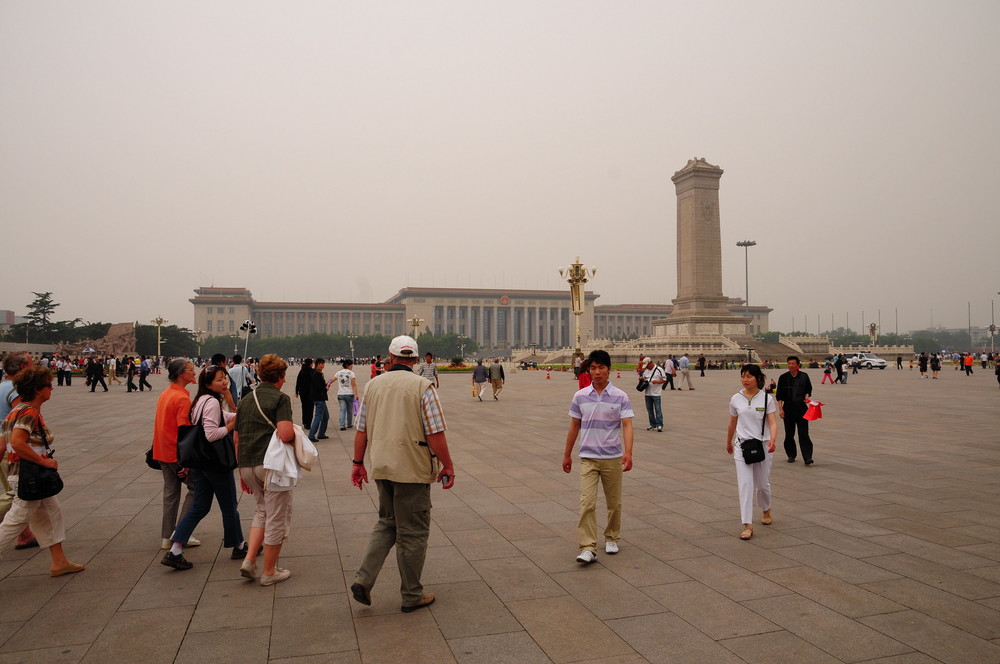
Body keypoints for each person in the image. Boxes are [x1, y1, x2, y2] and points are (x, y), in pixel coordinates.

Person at [350, 335, 455, 613]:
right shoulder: (424, 386)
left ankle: (364, 579)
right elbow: (435, 434)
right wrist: (448, 465)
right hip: (412, 468)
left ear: (390, 357)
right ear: (416, 360)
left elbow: (362, 430)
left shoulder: (373, 385)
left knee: (387, 522)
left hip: (382, 465)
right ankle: (411, 595)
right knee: (413, 532)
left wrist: (357, 463)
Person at [0, 366, 85, 576]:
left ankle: (59, 561)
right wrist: (44, 462)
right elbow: (18, 443)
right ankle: (59, 561)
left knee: (50, 513)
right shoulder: (28, 412)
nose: (52, 389)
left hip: (24, 474)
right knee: (16, 519)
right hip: (29, 475)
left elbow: (3, 444)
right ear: (38, 389)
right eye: (49, 385)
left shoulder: (14, 411)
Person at [161, 366, 247, 570]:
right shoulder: (211, 403)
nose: (224, 382)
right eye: (219, 380)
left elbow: (225, 416)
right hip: (215, 462)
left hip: (201, 463)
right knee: (228, 506)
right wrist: (231, 427)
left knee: (200, 505)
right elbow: (211, 434)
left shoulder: (202, 400)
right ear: (208, 384)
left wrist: (230, 403)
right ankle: (239, 545)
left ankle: (175, 550)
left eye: (224, 378)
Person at [562, 349, 634, 564]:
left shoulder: (620, 396)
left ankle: (611, 537)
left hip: (612, 456)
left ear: (609, 369)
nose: (597, 372)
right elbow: (574, 426)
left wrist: (628, 453)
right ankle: (587, 546)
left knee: (614, 503)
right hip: (588, 456)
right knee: (587, 503)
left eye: (601, 367)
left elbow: (627, 425)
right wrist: (567, 454)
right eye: (593, 368)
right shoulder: (580, 396)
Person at [235, 354, 296, 586]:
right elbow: (286, 433)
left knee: (262, 511)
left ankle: (250, 560)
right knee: (277, 518)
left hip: (248, 464)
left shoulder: (246, 400)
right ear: (280, 376)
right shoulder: (280, 399)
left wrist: (241, 470)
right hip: (270, 465)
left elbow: (237, 437)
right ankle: (270, 571)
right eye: (284, 376)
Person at [152, 359, 201, 550]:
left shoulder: (167, 393)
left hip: (162, 450)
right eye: (191, 370)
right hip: (176, 453)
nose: (194, 372)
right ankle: (182, 533)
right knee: (195, 488)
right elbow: (184, 431)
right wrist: (187, 460)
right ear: (181, 373)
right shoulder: (182, 398)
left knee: (171, 493)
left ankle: (166, 536)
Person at [725, 364, 777, 541]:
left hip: (763, 446)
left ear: (758, 378)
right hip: (742, 446)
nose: (745, 380)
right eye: (743, 376)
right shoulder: (736, 398)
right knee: (745, 485)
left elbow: (772, 423)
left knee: (762, 485)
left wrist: (773, 439)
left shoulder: (766, 399)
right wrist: (729, 442)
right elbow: (732, 423)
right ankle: (747, 524)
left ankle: (766, 509)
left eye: (749, 376)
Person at [0, 352, 40, 550]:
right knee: (15, 497)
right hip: (11, 450)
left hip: (5, 446)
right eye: (32, 363)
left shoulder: (2, 386)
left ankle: (25, 537)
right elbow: (18, 423)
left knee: (15, 493)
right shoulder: (16, 391)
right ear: (24, 367)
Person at [776, 356, 813, 465]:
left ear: (798, 365)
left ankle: (808, 457)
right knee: (789, 433)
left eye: (793, 364)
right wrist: (780, 409)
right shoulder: (783, 378)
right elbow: (779, 395)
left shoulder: (804, 376)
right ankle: (791, 454)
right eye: (789, 364)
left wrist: (806, 397)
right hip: (788, 408)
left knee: (804, 433)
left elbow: (808, 389)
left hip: (801, 408)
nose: (790, 366)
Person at [640, 357, 666, 432]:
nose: (646, 367)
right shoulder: (646, 371)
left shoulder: (659, 369)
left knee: (658, 409)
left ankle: (659, 425)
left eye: (647, 365)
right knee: (649, 410)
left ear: (650, 362)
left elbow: (665, 379)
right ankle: (652, 424)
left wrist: (657, 382)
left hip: (656, 393)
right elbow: (644, 379)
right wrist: (642, 380)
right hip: (647, 393)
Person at [308, 358, 330, 442]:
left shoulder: (318, 373)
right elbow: (318, 386)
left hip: (320, 398)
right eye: (322, 364)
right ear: (318, 364)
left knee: (325, 416)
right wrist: (325, 388)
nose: (323, 365)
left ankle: (321, 434)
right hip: (318, 398)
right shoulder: (316, 374)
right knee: (318, 416)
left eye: (324, 364)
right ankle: (311, 435)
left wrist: (325, 384)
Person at [335, 359, 359, 430]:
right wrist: (356, 394)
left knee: (342, 410)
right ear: (347, 365)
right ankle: (349, 424)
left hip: (341, 394)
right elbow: (354, 384)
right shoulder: (351, 373)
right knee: (349, 410)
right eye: (351, 365)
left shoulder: (339, 373)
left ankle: (342, 425)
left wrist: (327, 384)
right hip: (349, 394)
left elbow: (332, 379)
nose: (352, 366)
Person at [293, 357, 314, 427]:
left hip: (302, 392)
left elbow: (298, 381)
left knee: (304, 406)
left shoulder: (302, 371)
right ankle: (308, 423)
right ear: (310, 364)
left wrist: (296, 391)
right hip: (310, 392)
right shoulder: (312, 371)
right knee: (310, 407)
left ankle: (304, 421)